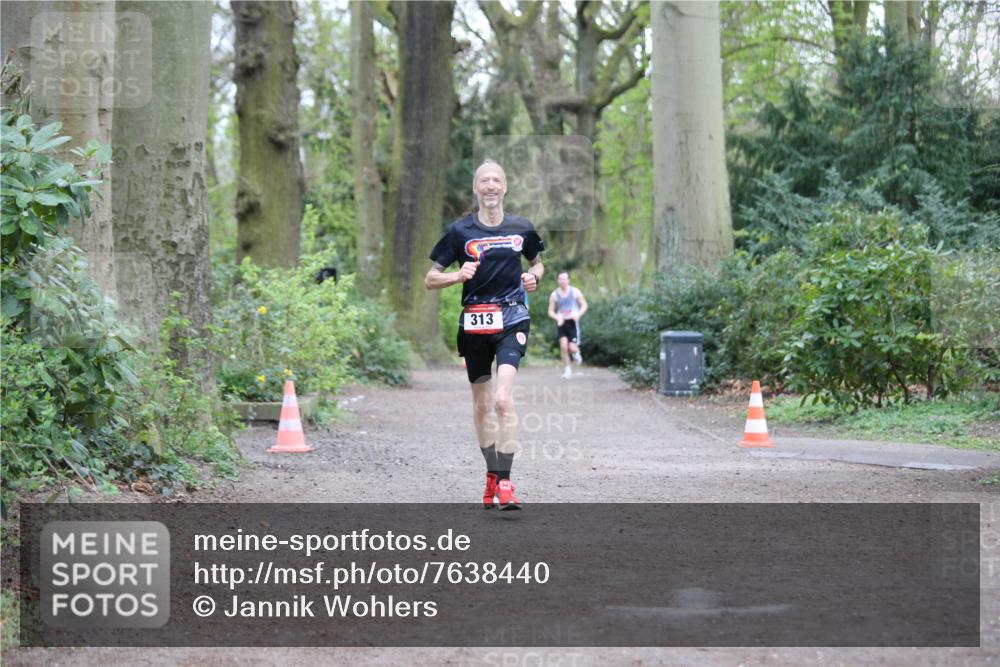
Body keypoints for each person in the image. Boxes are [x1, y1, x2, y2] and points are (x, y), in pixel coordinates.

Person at [425, 159, 545, 510]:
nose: (491, 186)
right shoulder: (459, 231)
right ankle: (491, 473)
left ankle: (505, 482)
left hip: (511, 318)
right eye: (484, 181)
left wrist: (534, 276)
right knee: (481, 405)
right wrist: (456, 276)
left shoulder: (522, 227)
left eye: (497, 180)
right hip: (475, 322)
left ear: (505, 187)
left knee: (503, 400)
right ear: (476, 189)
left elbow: (537, 261)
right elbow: (430, 279)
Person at [547, 271, 588, 379]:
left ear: (568, 280)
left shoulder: (575, 292)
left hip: (573, 323)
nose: (563, 281)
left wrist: (578, 314)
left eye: (565, 279)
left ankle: (576, 354)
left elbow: (584, 305)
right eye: (561, 279)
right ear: (558, 281)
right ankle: (567, 370)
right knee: (563, 346)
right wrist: (557, 317)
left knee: (572, 348)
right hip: (562, 322)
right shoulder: (554, 295)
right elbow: (550, 311)